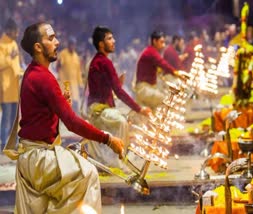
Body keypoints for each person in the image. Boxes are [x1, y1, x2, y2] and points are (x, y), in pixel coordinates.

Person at [6, 22, 124, 214]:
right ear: (38, 47)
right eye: (51, 38)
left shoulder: (35, 72)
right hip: (39, 158)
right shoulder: (43, 77)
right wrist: (107, 139)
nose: (57, 42)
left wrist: (60, 103)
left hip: (33, 156)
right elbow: (72, 122)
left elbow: (40, 116)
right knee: (88, 174)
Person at [87, 26, 151, 167]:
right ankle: (118, 160)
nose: (114, 41)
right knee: (122, 121)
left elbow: (106, 88)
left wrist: (115, 85)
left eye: (113, 37)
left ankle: (116, 157)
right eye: (109, 38)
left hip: (100, 107)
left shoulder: (99, 61)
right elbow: (119, 92)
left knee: (126, 119)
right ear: (101, 44)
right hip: (98, 110)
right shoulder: (104, 62)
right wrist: (139, 109)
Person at [135, 31, 178, 109]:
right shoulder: (151, 52)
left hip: (148, 88)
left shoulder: (151, 51)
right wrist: (176, 73)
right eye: (161, 42)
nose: (163, 45)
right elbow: (163, 64)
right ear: (154, 41)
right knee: (165, 100)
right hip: (144, 89)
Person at [0, 19, 22, 150]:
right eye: (15, 31)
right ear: (9, 31)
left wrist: (22, 73)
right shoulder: (1, 45)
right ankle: (3, 144)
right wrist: (11, 57)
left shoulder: (14, 44)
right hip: (5, 89)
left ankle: (13, 144)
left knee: (15, 121)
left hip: (15, 88)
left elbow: (16, 66)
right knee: (6, 119)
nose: (17, 34)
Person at [57, 36, 83, 113]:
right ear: (68, 45)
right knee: (65, 103)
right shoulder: (63, 54)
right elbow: (58, 66)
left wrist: (80, 84)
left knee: (75, 103)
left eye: (74, 45)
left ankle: (75, 120)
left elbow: (79, 71)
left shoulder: (76, 57)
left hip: (74, 84)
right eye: (71, 44)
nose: (72, 46)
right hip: (65, 84)